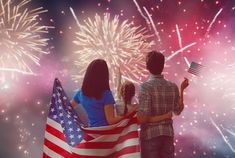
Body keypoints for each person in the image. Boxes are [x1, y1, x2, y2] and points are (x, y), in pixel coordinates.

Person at [137, 51, 189, 158]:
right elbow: (178, 110)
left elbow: (144, 118)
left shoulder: (145, 87)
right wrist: (181, 90)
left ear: (147, 66)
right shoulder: (172, 86)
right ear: (163, 65)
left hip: (150, 135)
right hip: (167, 135)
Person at [70, 59, 131, 127]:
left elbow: (68, 107)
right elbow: (111, 121)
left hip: (91, 131)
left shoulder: (80, 92)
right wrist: (128, 114)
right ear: (104, 75)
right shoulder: (106, 94)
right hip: (105, 133)